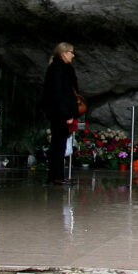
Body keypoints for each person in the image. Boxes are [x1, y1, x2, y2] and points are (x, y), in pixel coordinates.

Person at [42, 42, 80, 185]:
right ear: (63, 53)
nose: (73, 55)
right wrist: (67, 114)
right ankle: (56, 176)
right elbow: (59, 94)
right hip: (60, 113)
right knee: (58, 145)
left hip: (59, 112)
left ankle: (57, 175)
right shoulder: (58, 69)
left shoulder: (60, 68)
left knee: (60, 144)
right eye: (71, 52)